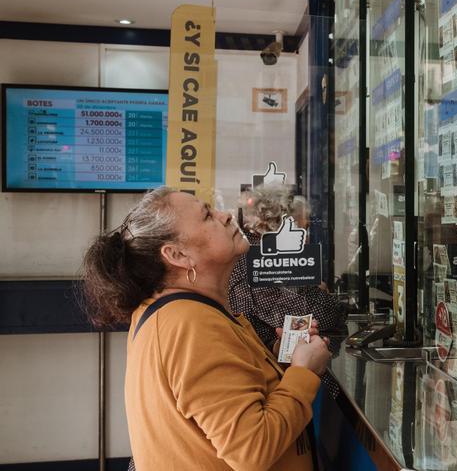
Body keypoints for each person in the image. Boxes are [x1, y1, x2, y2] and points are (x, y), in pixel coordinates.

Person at [81, 187, 331, 470]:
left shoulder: (174, 312)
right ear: (177, 254)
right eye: (207, 216)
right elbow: (252, 449)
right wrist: (303, 373)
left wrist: (282, 362)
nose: (225, 216)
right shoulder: (189, 324)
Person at [233, 183, 347, 349]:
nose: (304, 235)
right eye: (301, 227)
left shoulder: (251, 249)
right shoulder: (266, 257)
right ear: (281, 222)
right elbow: (323, 315)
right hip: (263, 358)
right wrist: (323, 295)